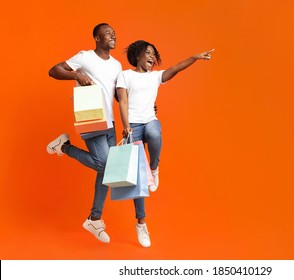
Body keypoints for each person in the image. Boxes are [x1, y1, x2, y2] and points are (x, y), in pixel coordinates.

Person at [46, 24, 151, 248]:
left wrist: (142, 104)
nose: (113, 35)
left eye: (115, 32)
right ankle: (64, 148)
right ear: (97, 37)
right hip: (91, 116)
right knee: (104, 165)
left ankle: (95, 219)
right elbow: (53, 70)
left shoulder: (116, 65)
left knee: (109, 172)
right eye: (108, 32)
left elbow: (117, 95)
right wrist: (76, 74)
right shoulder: (84, 57)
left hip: (110, 122)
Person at [116, 40, 214, 194]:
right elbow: (122, 101)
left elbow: (175, 68)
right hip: (133, 125)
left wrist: (194, 58)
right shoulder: (125, 75)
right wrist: (126, 126)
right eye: (148, 53)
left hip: (150, 120)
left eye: (154, 54)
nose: (152, 57)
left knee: (155, 133)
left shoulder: (155, 76)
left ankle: (154, 169)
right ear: (137, 56)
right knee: (138, 174)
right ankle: (141, 217)